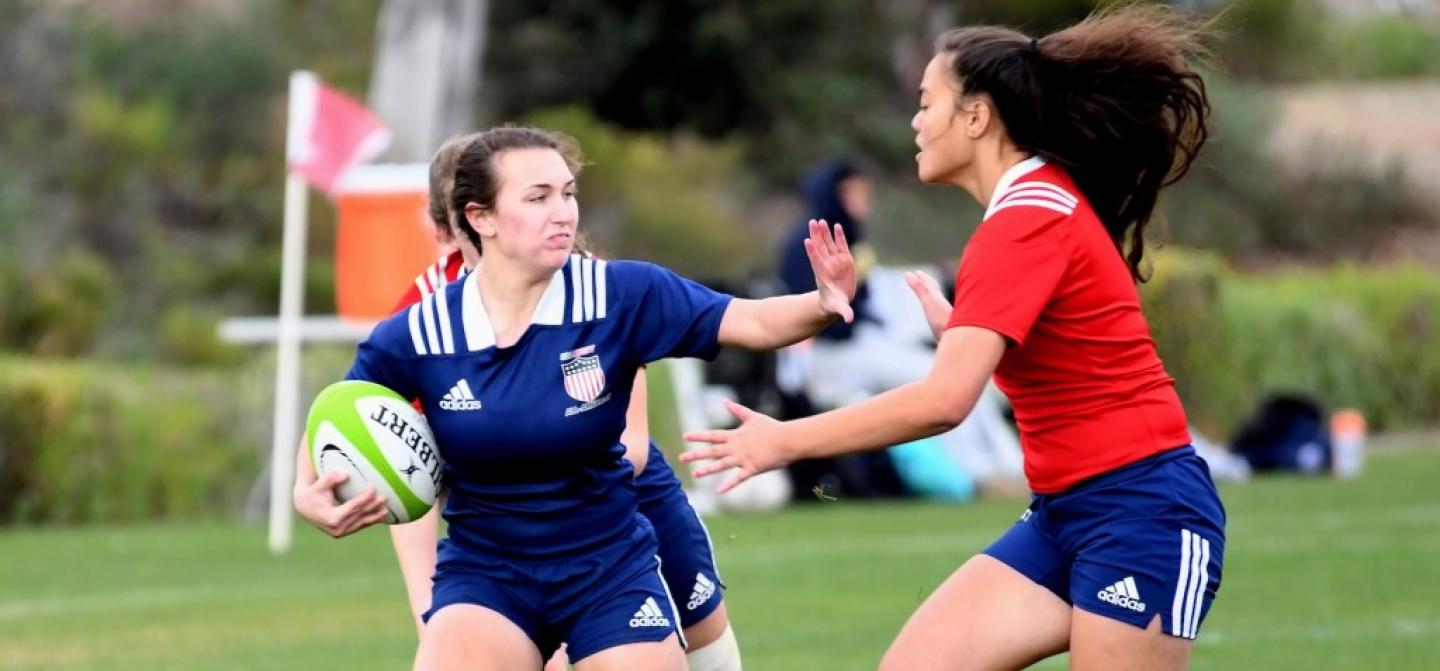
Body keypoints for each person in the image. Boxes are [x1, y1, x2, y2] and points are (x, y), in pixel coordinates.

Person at [682, 6, 1225, 670]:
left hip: (1142, 513)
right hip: (1064, 516)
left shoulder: (1025, 219)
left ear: (976, 117)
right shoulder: (1030, 206)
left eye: (926, 102)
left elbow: (944, 402)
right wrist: (975, 337)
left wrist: (783, 438)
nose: (915, 121)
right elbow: (1071, 356)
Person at [298, 125, 855, 670]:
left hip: (609, 571)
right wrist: (308, 493)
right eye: (538, 197)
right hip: (490, 576)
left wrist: (821, 303)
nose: (563, 211)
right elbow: (340, 412)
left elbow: (750, 321)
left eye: (568, 194)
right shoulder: (421, 331)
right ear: (480, 217)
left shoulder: (621, 294)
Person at [393, 132, 744, 670]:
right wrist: (428, 611)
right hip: (507, 537)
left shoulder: (589, 285)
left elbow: (633, 446)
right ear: (452, 227)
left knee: (707, 647)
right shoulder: (423, 313)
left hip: (625, 499)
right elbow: (404, 472)